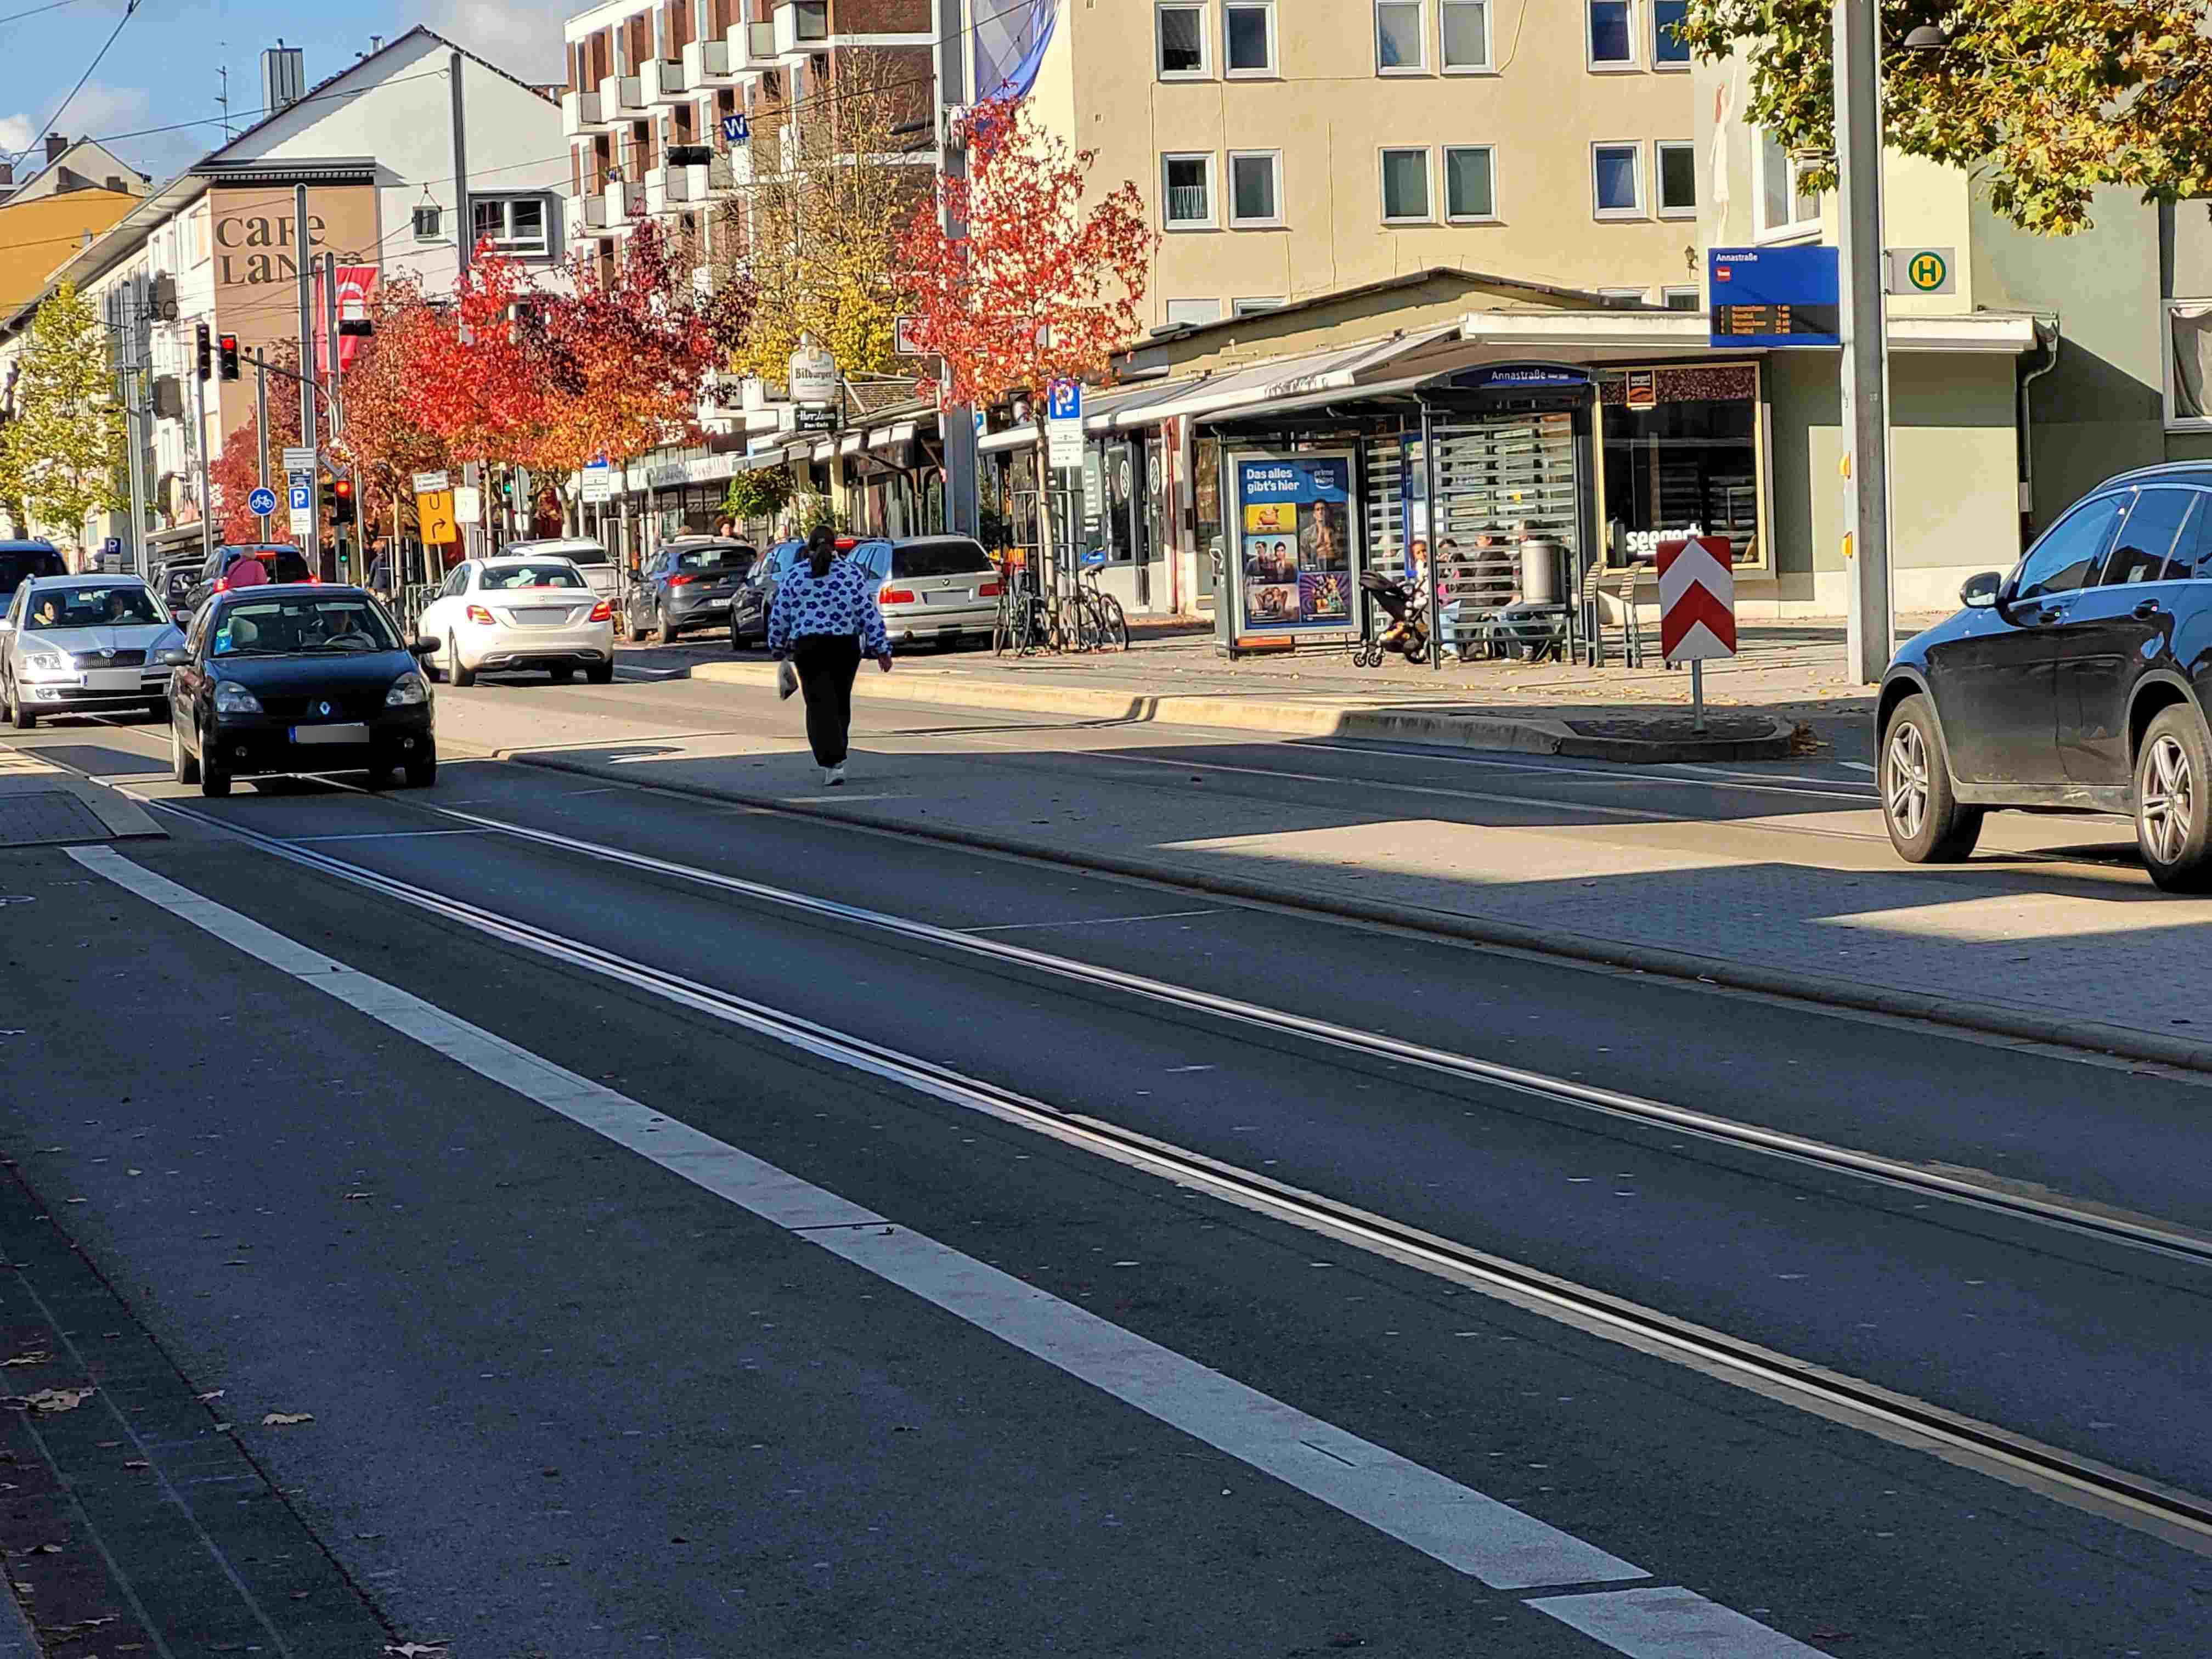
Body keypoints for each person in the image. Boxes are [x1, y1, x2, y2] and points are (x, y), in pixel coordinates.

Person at [767, 525, 891, 786]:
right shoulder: (851, 574)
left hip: (809, 647)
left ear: (809, 547)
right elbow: (868, 613)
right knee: (839, 701)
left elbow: (780, 614)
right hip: (845, 646)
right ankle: (838, 753)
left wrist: (777, 645)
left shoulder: (795, 575)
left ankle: (831, 760)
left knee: (818, 704)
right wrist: (881, 648)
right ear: (835, 547)